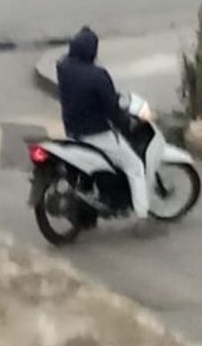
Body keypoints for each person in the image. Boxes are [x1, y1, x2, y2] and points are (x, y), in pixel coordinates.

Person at [56, 26, 148, 219]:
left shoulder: (63, 67)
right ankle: (142, 216)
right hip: (97, 135)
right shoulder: (98, 76)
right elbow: (112, 111)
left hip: (72, 132)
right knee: (135, 166)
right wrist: (128, 124)